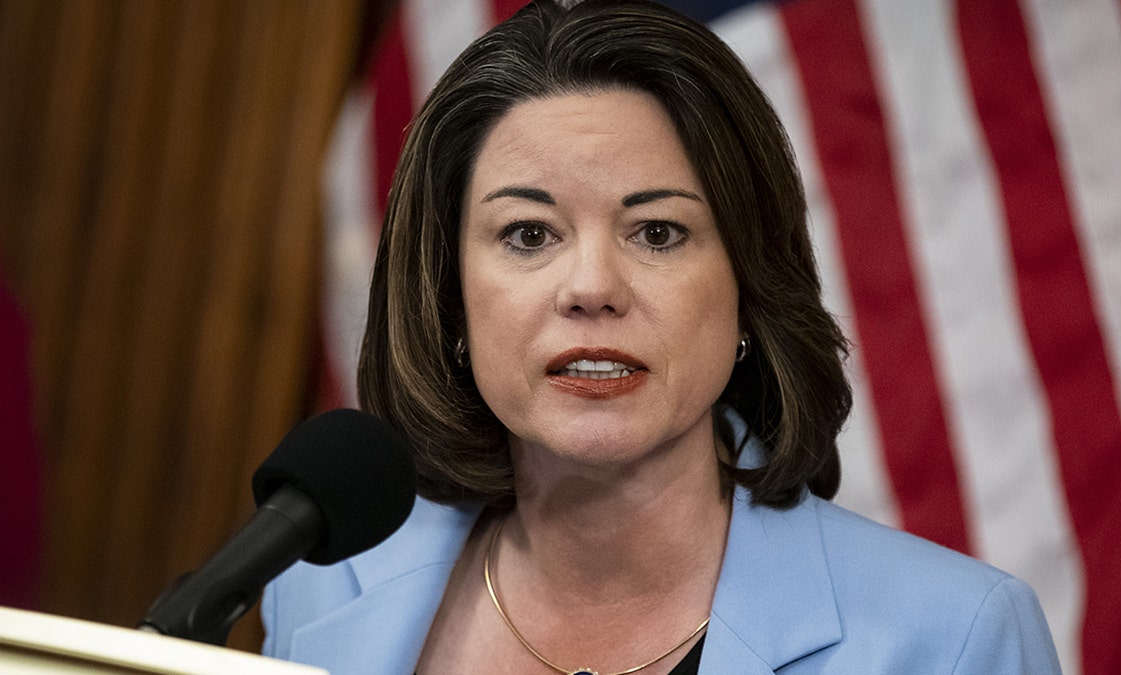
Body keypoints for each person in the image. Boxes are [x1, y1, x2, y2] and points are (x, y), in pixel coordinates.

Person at [262, 1, 1061, 673]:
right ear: (450, 300)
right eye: (530, 235)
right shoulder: (323, 585)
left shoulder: (954, 638)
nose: (593, 288)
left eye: (657, 232)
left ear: (749, 289)